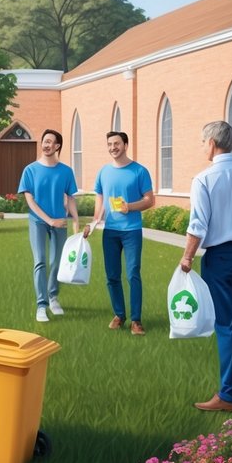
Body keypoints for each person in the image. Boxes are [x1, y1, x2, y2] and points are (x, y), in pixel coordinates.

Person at [180, 120, 232, 412]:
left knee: (227, 325)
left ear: (213, 143)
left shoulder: (203, 179)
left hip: (221, 258)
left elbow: (198, 224)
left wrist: (187, 256)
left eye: (203, 142)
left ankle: (228, 395)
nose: (203, 147)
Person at [88, 132, 155, 335]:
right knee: (112, 276)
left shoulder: (139, 171)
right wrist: (94, 221)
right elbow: (100, 197)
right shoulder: (104, 172)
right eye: (109, 144)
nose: (112, 147)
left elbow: (149, 200)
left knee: (133, 274)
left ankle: (136, 320)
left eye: (116, 143)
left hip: (131, 231)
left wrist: (130, 207)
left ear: (125, 145)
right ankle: (119, 314)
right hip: (110, 231)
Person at [19, 129, 79, 323]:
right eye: (44, 141)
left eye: (50, 142)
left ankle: (53, 297)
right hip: (38, 221)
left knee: (58, 261)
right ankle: (41, 305)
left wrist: (76, 220)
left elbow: (70, 197)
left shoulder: (66, 171)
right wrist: (49, 220)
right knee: (40, 261)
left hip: (60, 222)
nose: (46, 145)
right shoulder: (30, 170)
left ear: (57, 146)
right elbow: (30, 201)